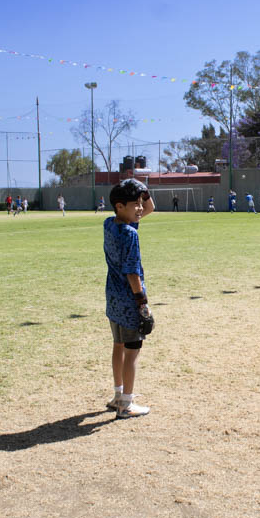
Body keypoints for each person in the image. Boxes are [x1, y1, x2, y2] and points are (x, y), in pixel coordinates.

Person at [103, 179, 155, 419]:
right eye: (135, 204)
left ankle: (117, 395)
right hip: (129, 299)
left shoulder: (109, 224)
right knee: (133, 351)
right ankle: (126, 404)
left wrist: (141, 192)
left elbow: (149, 208)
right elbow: (133, 273)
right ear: (120, 206)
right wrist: (142, 304)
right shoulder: (130, 234)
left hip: (113, 297)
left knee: (118, 345)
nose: (141, 209)